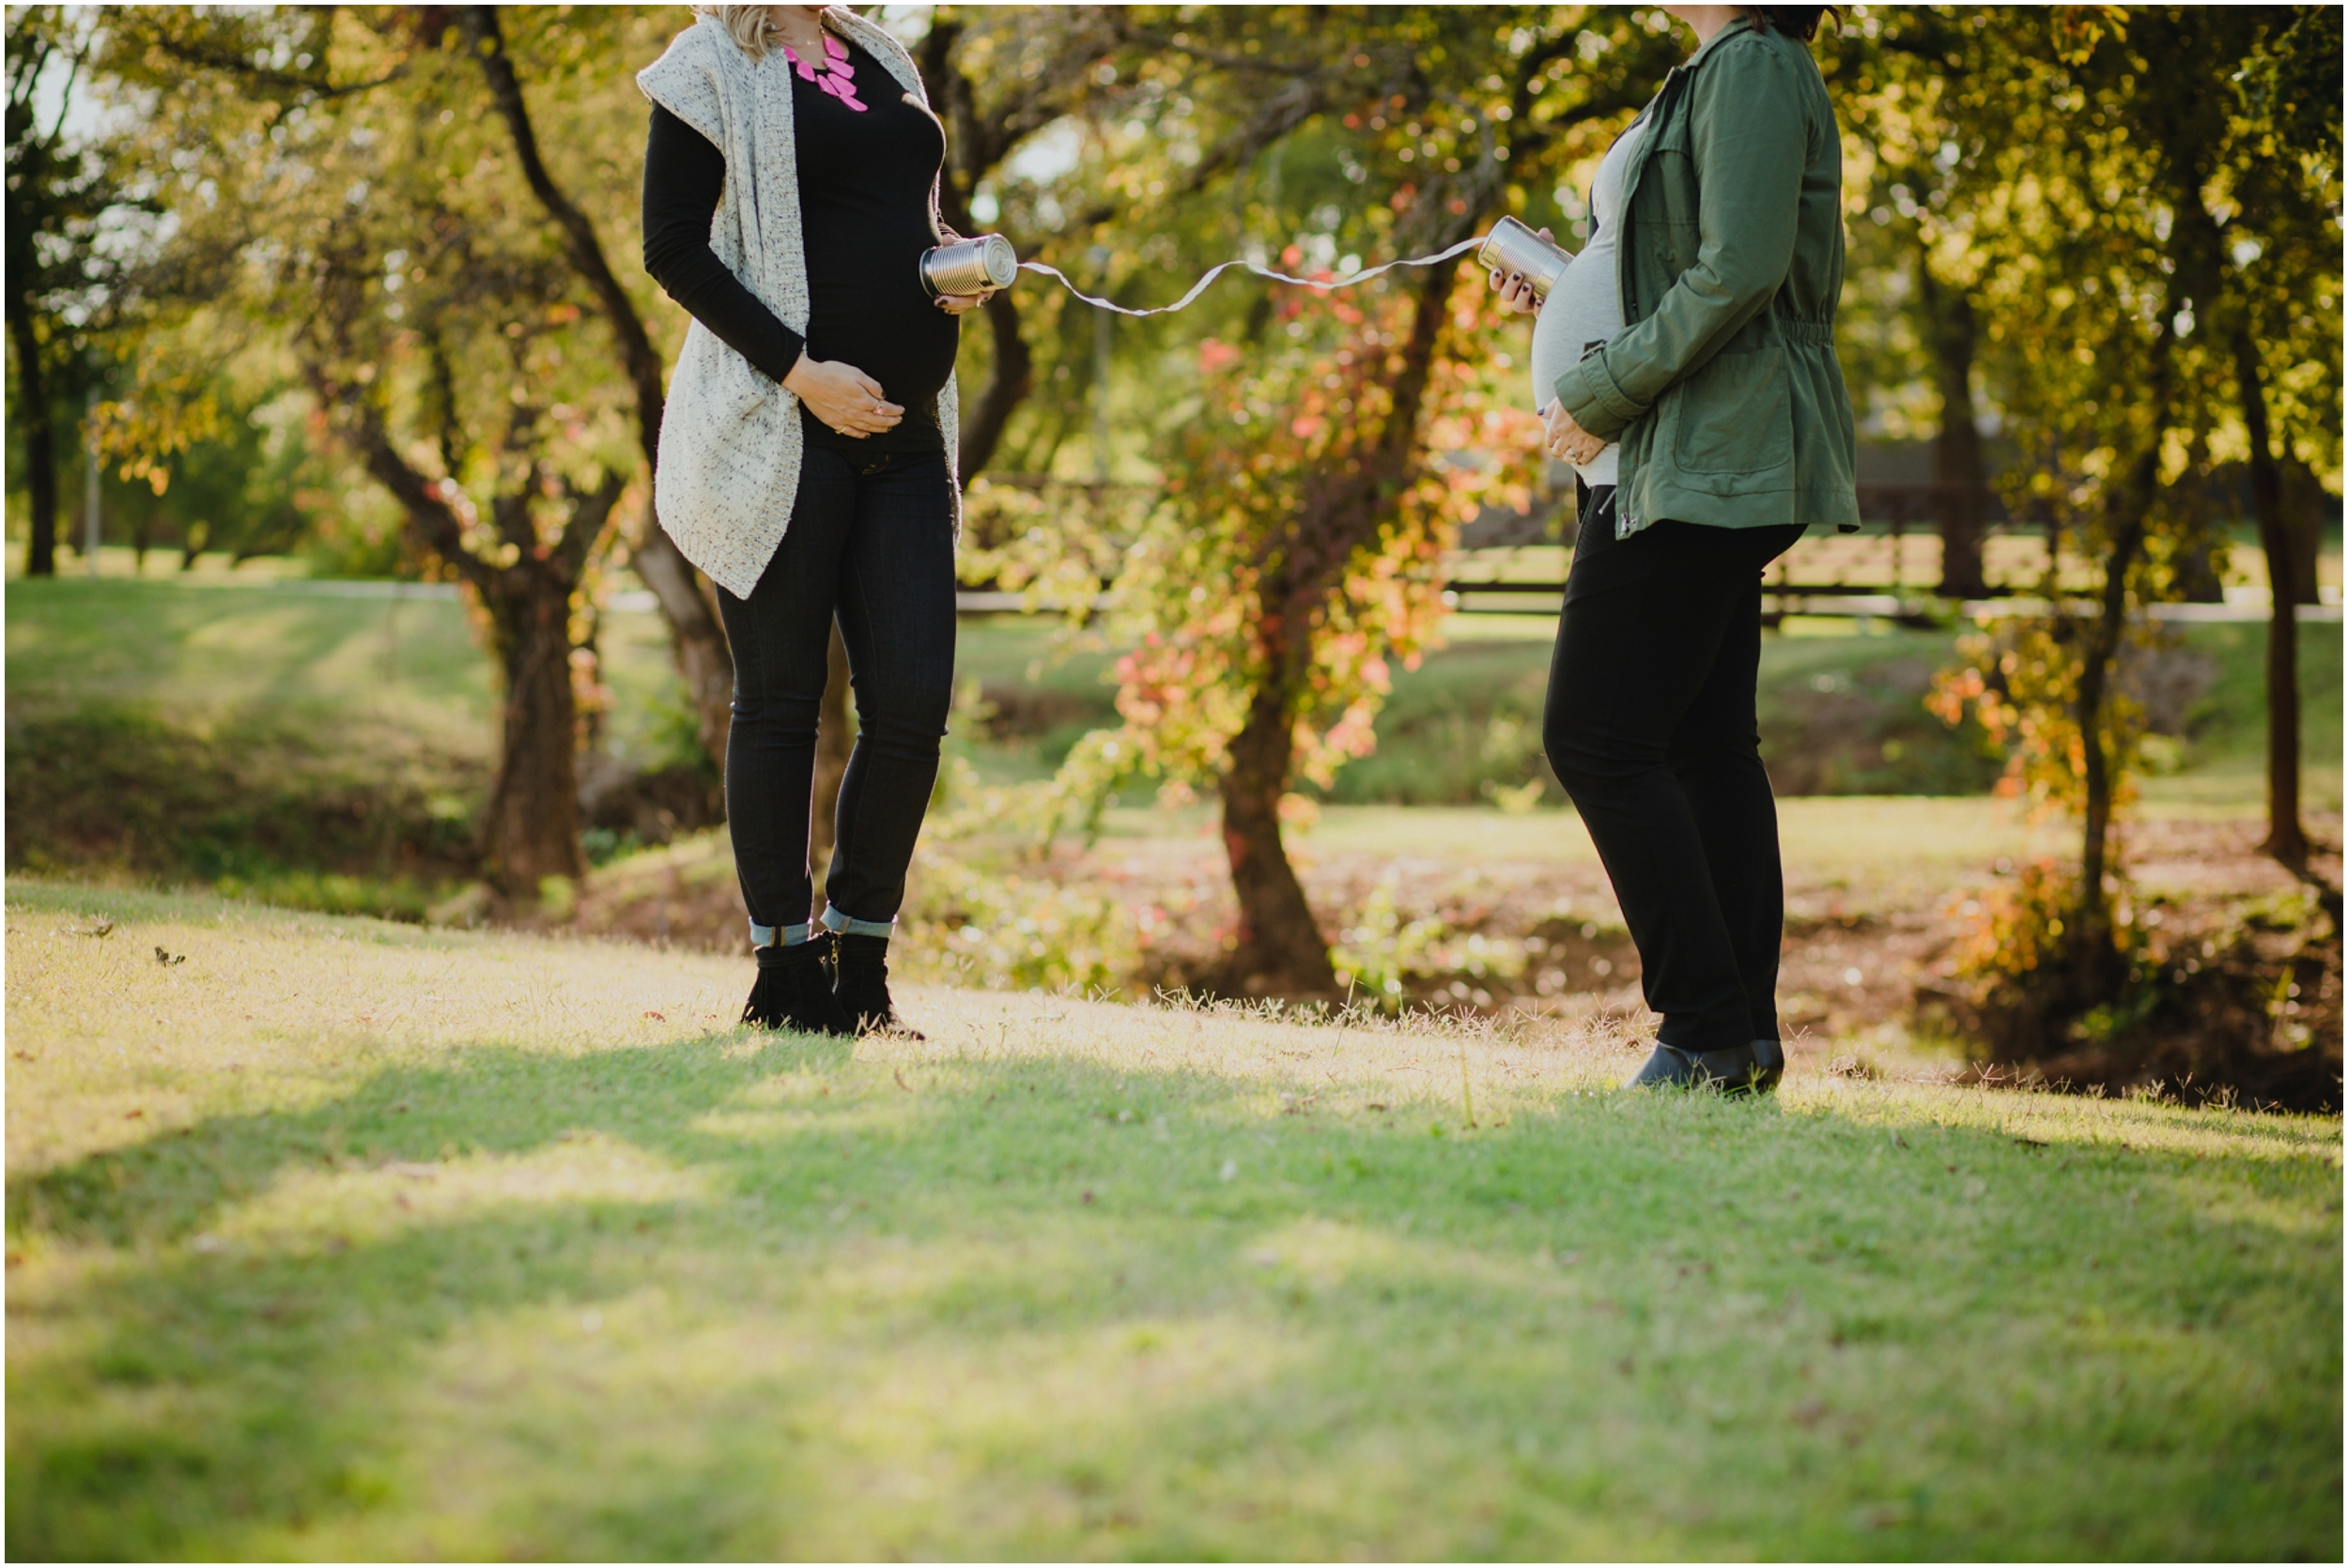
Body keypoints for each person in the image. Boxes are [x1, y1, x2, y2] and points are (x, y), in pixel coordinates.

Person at [1489, 5, 1858, 1092]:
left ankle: (1700, 1028)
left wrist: (1600, 386)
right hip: (1670, 450)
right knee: (1703, 744)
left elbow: (1742, 268)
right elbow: (1682, 260)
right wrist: (1571, 281)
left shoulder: (1749, 62)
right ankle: (1738, 1034)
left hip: (1698, 448)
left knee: (1596, 736)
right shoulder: (1713, 70)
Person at [639, 4, 991, 1038]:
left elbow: (896, 214)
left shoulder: (881, 54)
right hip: (780, 425)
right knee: (782, 702)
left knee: (914, 701)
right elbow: (672, 248)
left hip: (907, 433)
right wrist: (803, 375)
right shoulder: (704, 62)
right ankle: (784, 974)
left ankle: (862, 965)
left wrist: (947, 260)